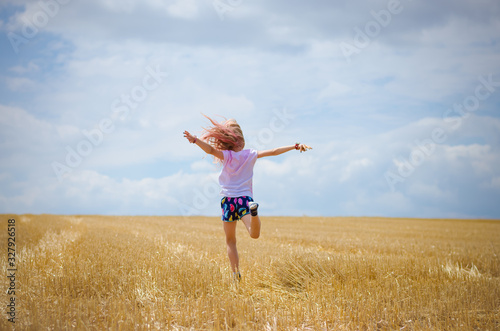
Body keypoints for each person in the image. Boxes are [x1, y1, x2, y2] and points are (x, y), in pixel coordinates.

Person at [183, 115, 312, 281]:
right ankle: (254, 213)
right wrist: (295, 146)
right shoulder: (250, 154)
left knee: (230, 241)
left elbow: (210, 150)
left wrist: (195, 140)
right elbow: (273, 151)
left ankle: (236, 275)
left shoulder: (227, 155)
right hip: (245, 199)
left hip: (228, 201)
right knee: (254, 234)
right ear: (242, 141)